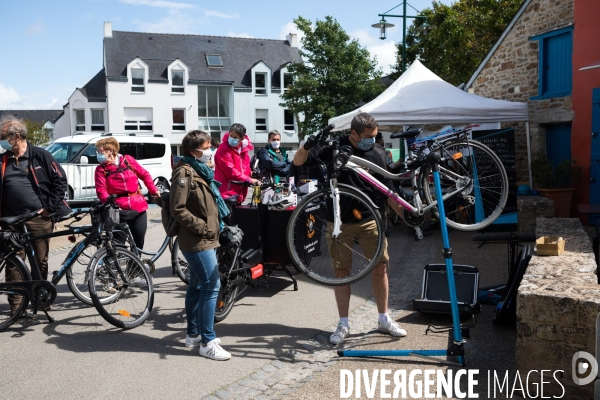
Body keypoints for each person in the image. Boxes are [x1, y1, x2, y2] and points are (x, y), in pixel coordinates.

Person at [293, 112, 406, 345]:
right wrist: (307, 145)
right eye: (367, 137)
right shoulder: (335, 148)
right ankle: (343, 323)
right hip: (339, 222)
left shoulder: (379, 153)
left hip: (369, 219)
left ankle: (383, 318)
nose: (371, 141)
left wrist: (407, 215)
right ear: (353, 133)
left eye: (374, 137)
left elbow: (388, 190)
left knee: (380, 267)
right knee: (341, 273)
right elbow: (298, 162)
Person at [0, 116, 70, 315]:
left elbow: (60, 181)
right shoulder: (2, 159)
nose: (1, 141)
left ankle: (40, 300)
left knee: (39, 261)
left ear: (17, 136)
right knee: (14, 262)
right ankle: (17, 305)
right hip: (10, 219)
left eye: (3, 137)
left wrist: (49, 207)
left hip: (38, 218)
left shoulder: (41, 155)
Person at [171, 129, 231, 360]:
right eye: (206, 148)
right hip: (197, 239)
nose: (210, 151)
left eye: (210, 147)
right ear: (192, 149)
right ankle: (207, 341)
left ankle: (193, 334)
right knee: (210, 286)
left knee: (197, 286)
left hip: (206, 237)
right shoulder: (184, 173)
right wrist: (204, 227)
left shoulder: (200, 170)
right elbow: (178, 209)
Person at [94, 137, 159, 250]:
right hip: (118, 210)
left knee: (139, 241)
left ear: (111, 151)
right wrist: (111, 205)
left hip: (138, 207)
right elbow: (101, 190)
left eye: (101, 151)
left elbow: (145, 174)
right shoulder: (101, 169)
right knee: (118, 244)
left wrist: (153, 190)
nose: (99, 154)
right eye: (98, 152)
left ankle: (135, 266)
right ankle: (116, 266)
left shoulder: (128, 160)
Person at [214, 123, 260, 204]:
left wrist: (250, 173)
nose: (231, 138)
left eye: (235, 137)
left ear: (242, 138)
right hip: (226, 191)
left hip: (237, 190)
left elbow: (245, 167)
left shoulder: (242, 149)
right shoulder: (223, 149)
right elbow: (230, 171)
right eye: (230, 135)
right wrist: (249, 179)